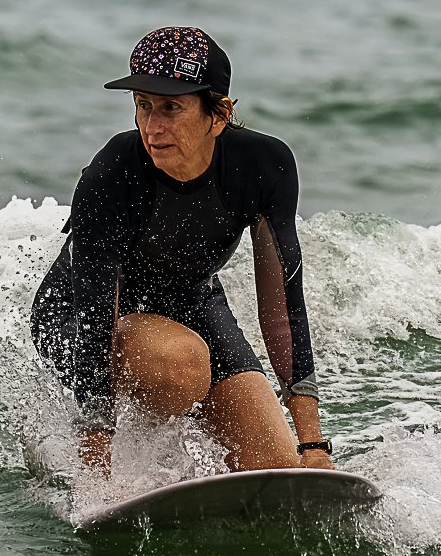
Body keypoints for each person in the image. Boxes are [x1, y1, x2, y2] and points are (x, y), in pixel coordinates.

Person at [31, 26, 333, 475]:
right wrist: (95, 476)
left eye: (172, 107)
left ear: (219, 114)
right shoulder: (112, 173)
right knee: (182, 365)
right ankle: (142, 451)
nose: (153, 127)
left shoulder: (263, 166)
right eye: (143, 106)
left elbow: (283, 307)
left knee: (273, 465)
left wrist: (314, 446)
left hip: (191, 305)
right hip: (81, 316)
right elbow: (96, 317)